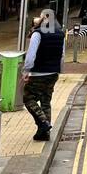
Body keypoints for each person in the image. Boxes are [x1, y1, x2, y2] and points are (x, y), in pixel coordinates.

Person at [23, 10, 65, 142]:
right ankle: (44, 134)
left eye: (41, 17)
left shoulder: (38, 33)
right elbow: (62, 55)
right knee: (46, 102)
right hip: (53, 73)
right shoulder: (60, 34)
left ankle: (43, 123)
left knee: (28, 99)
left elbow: (31, 55)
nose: (39, 19)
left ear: (45, 18)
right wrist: (59, 71)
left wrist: (26, 71)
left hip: (38, 73)